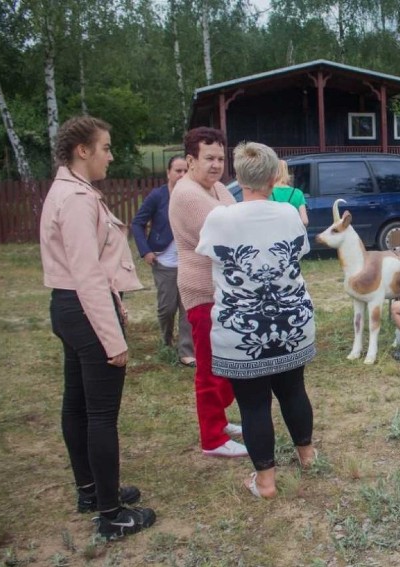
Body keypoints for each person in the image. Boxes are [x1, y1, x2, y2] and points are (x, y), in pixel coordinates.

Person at [40, 115, 155, 540]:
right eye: (105, 147)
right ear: (82, 151)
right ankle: (111, 514)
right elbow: (88, 274)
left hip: (70, 306)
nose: (111, 155)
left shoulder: (72, 191)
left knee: (78, 404)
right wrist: (112, 337)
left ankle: (91, 490)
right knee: (101, 414)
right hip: (84, 307)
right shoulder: (75, 199)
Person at [196, 142, 317, 499]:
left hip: (241, 329)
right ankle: (307, 456)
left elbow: (206, 255)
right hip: (292, 321)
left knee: (253, 404)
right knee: (294, 389)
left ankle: (265, 482)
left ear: (238, 176)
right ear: (273, 177)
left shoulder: (220, 217)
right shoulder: (288, 214)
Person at [169, 127, 247, 458]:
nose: (216, 165)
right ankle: (212, 439)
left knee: (226, 360)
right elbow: (230, 231)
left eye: (220, 158)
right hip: (202, 291)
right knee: (209, 366)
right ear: (191, 160)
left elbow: (238, 220)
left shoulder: (215, 188)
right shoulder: (187, 194)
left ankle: (220, 419)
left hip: (223, 291)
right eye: (208, 158)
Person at [131, 156, 196, 366]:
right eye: (178, 171)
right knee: (167, 307)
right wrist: (146, 251)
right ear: (168, 173)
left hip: (189, 261)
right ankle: (167, 341)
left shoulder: (194, 195)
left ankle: (187, 351)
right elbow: (137, 223)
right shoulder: (158, 196)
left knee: (187, 307)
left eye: (186, 171)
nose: (182, 175)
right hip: (164, 261)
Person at [268, 159, 309, 226]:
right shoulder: (297, 193)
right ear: (287, 172)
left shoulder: (267, 193)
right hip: (292, 234)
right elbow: (305, 221)